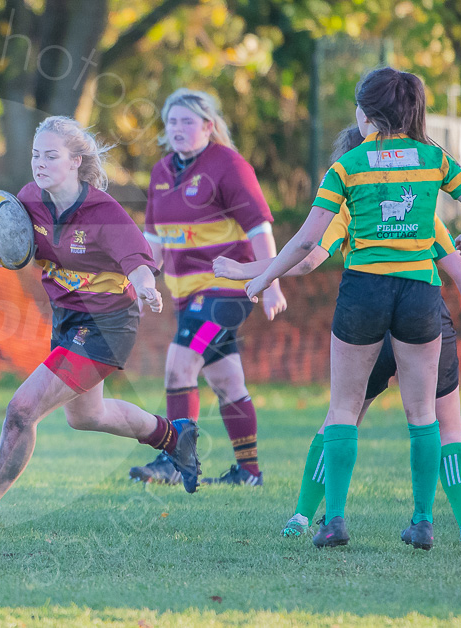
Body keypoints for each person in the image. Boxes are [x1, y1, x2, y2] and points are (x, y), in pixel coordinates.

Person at [242, 67, 461, 547]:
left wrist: (261, 278)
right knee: (423, 414)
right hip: (419, 294)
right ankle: (424, 522)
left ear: (366, 114)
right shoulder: (435, 158)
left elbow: (305, 245)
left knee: (342, 409)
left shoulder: (348, 166)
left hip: (364, 290)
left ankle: (332, 520)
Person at [0, 116, 199, 531]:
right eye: (36, 154)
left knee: (22, 409)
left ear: (76, 161)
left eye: (51, 155)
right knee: (85, 417)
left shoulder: (102, 212)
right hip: (69, 319)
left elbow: (138, 261)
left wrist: (147, 287)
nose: (40, 163)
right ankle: (173, 438)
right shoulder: (28, 200)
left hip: (108, 323)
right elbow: (19, 252)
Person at [128, 88, 286, 488]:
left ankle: (174, 460)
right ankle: (248, 473)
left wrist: (270, 281)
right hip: (187, 296)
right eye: (172, 122)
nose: (178, 129)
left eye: (187, 121)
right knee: (228, 381)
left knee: (180, 364)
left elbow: (260, 229)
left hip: (225, 290)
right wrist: (140, 282)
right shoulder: (162, 172)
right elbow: (155, 245)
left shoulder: (229, 165)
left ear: (208, 126)